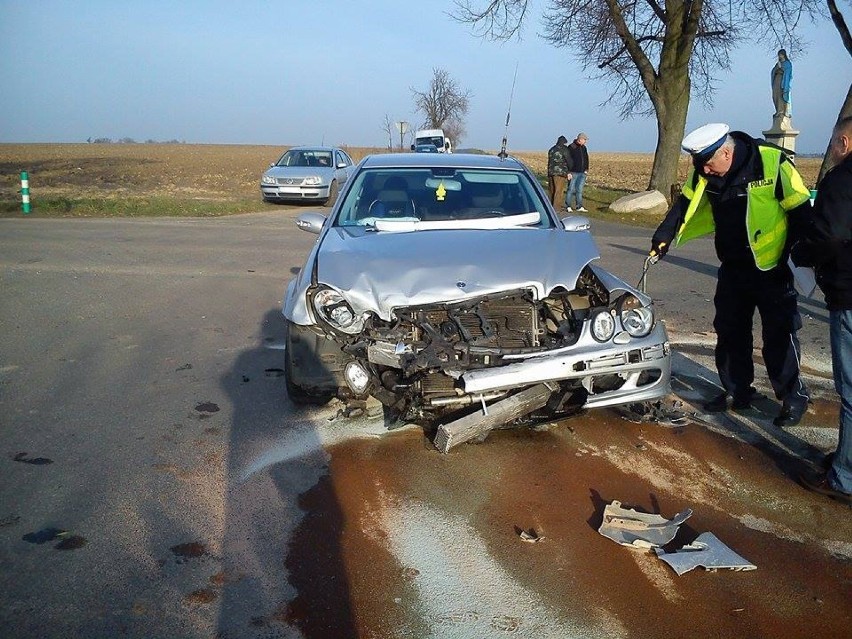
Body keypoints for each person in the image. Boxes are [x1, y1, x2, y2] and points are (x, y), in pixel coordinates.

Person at [649, 122, 812, 426]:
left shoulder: (771, 162)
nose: (706, 171)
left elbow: (801, 211)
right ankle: (738, 391)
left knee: (780, 335)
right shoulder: (703, 169)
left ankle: (793, 397)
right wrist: (663, 236)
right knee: (730, 331)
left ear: (727, 152)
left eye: (710, 164)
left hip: (772, 266)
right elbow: (684, 204)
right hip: (733, 266)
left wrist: (796, 255)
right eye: (702, 165)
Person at [791, 116, 852, 504]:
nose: (829, 149)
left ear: (844, 142)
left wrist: (801, 253)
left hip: (849, 294)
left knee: (850, 391)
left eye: (832, 143)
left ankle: (844, 477)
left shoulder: (842, 180)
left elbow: (829, 233)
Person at [564, 133, 589, 212]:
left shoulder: (584, 148)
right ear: (580, 139)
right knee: (570, 189)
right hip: (573, 172)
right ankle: (568, 205)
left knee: (579, 190)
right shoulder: (571, 147)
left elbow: (586, 159)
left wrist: (586, 169)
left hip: (582, 173)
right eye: (584, 140)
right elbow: (567, 160)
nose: (585, 141)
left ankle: (579, 206)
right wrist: (568, 172)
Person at [547, 135, 572, 209]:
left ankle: (549, 207)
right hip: (560, 173)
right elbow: (569, 160)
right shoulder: (564, 149)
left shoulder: (551, 149)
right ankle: (556, 208)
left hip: (551, 172)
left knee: (551, 190)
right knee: (559, 191)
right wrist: (569, 170)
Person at [772, 49, 793, 119]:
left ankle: (782, 110)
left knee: (782, 95)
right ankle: (778, 110)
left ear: (783, 55)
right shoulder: (778, 63)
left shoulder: (787, 63)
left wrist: (781, 68)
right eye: (778, 55)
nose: (779, 56)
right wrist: (777, 68)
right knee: (775, 95)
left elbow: (788, 73)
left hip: (783, 81)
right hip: (776, 80)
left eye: (780, 54)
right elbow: (773, 71)